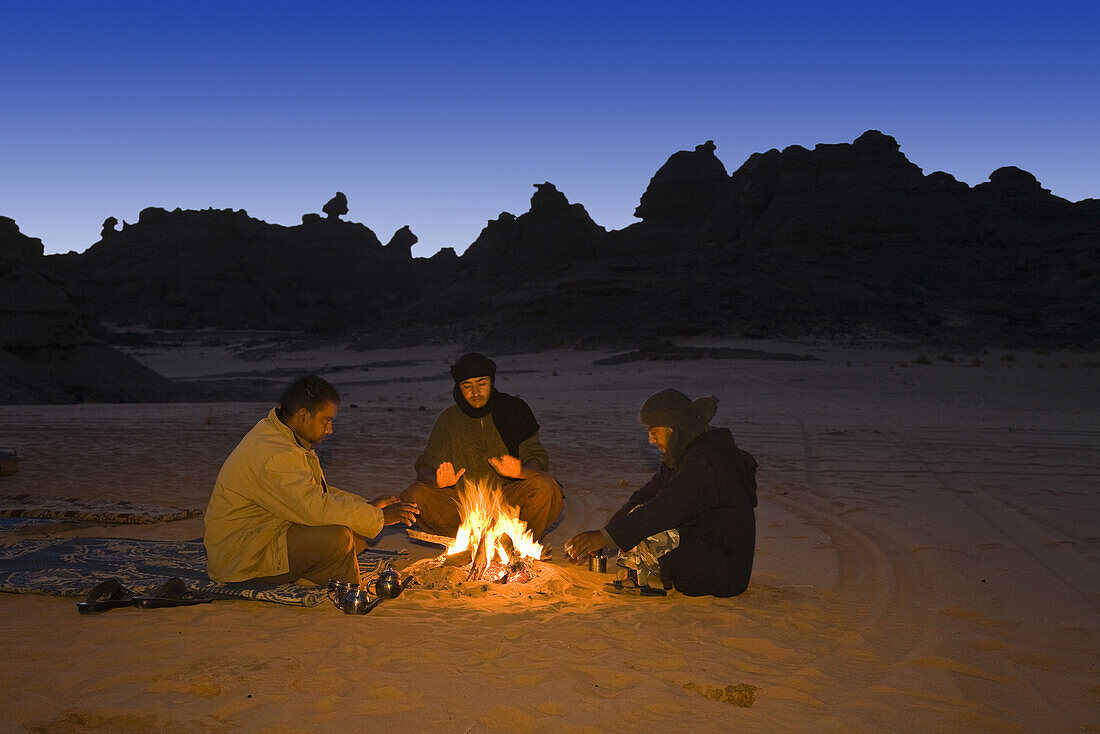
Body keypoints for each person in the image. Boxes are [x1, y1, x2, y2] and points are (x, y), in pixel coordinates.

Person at [204, 375, 418, 585]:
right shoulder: (275, 453)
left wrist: (366, 507)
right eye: (326, 420)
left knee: (356, 534)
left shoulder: (283, 436)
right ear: (303, 415)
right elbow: (313, 507)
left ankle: (313, 575)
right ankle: (342, 586)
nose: (330, 430)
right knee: (339, 537)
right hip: (241, 556)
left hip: (266, 534)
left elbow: (316, 492)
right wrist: (377, 517)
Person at [565, 389, 758, 597]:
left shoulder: (705, 460)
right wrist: (606, 535)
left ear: (672, 429)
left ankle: (653, 581)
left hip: (722, 572)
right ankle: (653, 574)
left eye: (654, 432)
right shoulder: (683, 456)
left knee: (646, 527)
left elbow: (667, 509)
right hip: (702, 548)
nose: (650, 440)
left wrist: (606, 537)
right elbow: (645, 496)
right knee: (636, 516)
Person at [400, 353, 564, 540]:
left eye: (482, 383)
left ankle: (520, 546)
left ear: (492, 382)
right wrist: (438, 481)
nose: (475, 392)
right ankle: (469, 542)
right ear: (458, 387)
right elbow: (424, 467)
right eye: (467, 385)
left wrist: (520, 471)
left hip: (508, 503)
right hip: (463, 508)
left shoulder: (514, 411)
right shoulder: (448, 419)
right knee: (414, 494)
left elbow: (537, 457)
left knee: (545, 485)